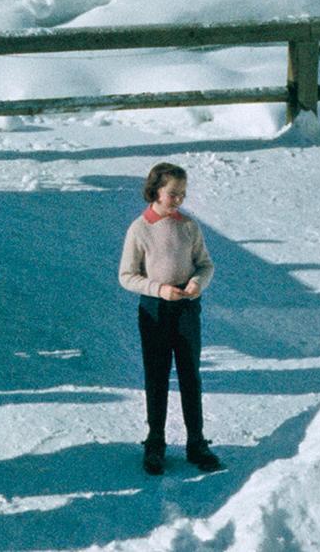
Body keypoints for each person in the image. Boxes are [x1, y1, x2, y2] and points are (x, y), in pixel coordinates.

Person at [120, 162, 221, 475]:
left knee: (190, 374)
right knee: (158, 375)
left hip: (187, 308)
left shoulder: (188, 226)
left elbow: (205, 265)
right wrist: (158, 289)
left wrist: (196, 283)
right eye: (173, 193)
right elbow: (126, 275)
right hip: (155, 308)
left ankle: (196, 442)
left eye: (183, 194)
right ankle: (156, 441)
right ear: (156, 190)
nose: (179, 199)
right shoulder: (140, 228)